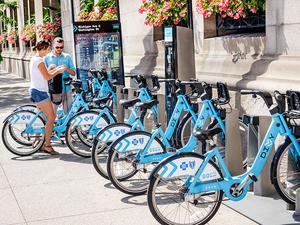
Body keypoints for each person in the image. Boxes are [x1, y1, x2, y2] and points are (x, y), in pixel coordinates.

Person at [29, 40, 67, 155]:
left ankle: (39, 141)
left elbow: (45, 73)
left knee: (43, 117)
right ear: (44, 48)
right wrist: (58, 71)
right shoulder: (39, 60)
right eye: (48, 49)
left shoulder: (34, 59)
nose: (49, 51)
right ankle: (47, 145)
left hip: (37, 91)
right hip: (40, 92)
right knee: (51, 117)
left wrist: (56, 69)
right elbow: (47, 77)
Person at [44, 37, 76, 114]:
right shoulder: (47, 58)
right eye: (57, 47)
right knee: (52, 113)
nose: (59, 49)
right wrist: (49, 69)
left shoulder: (67, 57)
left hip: (66, 87)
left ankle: (67, 125)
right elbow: (44, 75)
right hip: (53, 88)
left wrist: (66, 68)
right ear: (53, 46)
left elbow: (73, 73)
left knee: (68, 112)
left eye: (61, 47)